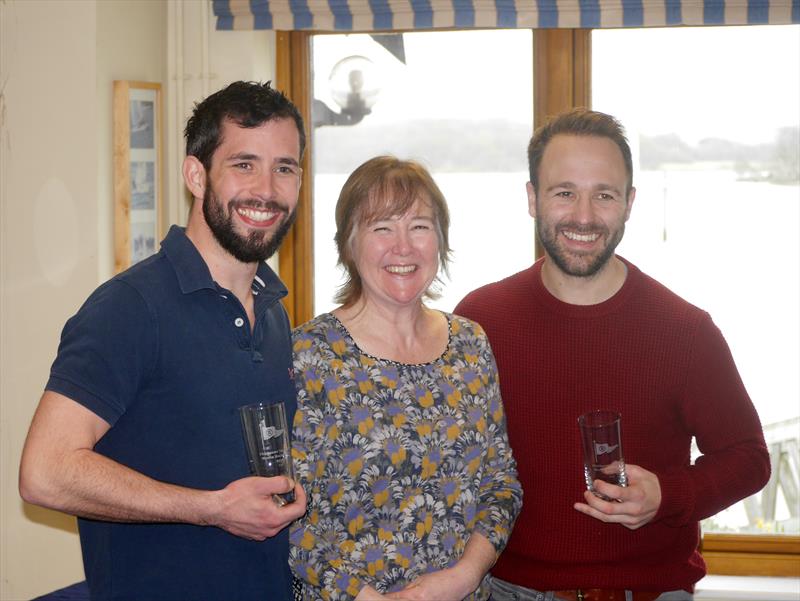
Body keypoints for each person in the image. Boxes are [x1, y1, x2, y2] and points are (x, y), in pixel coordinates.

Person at [454, 108, 771, 601]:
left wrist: (667, 494)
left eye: (604, 194)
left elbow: (749, 459)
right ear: (533, 199)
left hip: (647, 591)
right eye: (564, 193)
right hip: (506, 589)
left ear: (629, 203)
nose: (584, 216)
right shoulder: (479, 320)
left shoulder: (685, 329)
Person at [19, 81, 308, 601]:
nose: (266, 189)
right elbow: (45, 472)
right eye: (244, 164)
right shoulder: (130, 308)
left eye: (283, 168)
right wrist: (212, 508)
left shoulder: (272, 310)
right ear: (197, 175)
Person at [289, 156, 522, 601]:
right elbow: (287, 512)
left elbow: (501, 483)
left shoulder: (470, 344)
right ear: (349, 245)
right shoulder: (309, 354)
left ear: (441, 241)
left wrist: (465, 575)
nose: (403, 247)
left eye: (419, 226)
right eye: (381, 228)